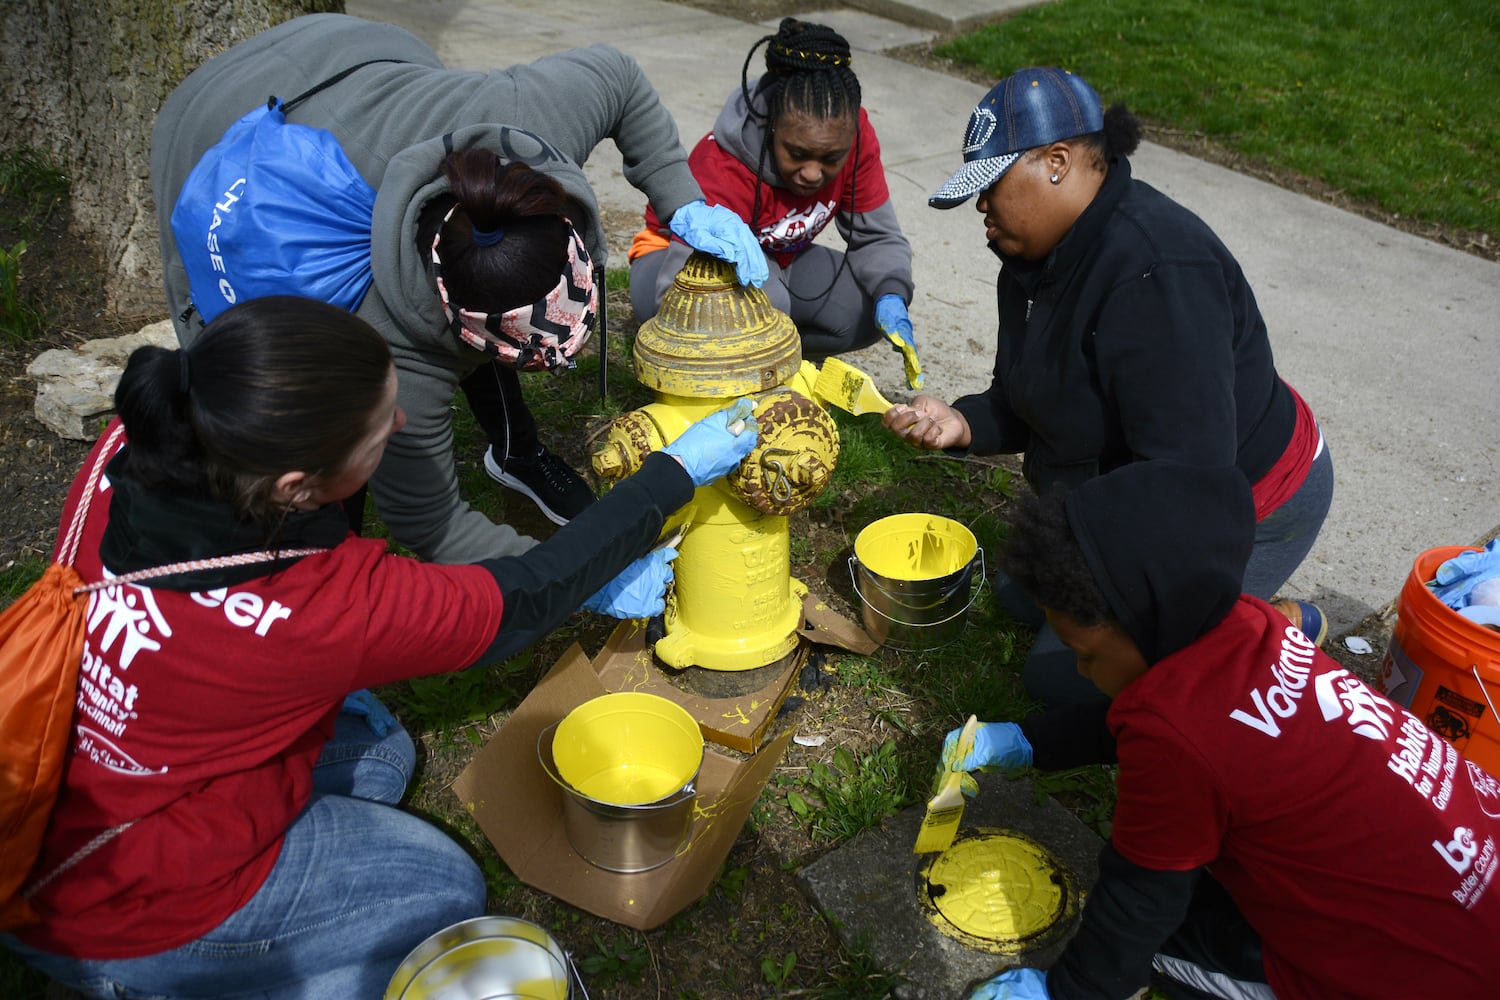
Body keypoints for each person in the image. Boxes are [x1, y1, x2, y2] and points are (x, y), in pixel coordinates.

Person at [0, 296, 757, 999]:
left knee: (380, 752)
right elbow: (527, 595)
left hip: (76, 766)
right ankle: (162, 976)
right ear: (296, 487)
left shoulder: (148, 439)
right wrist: (674, 475)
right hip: (115, 905)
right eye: (379, 428)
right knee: (441, 889)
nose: (397, 427)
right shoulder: (314, 613)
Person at [151, 12, 765, 541]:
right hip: (214, 142)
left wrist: (680, 196)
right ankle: (315, 556)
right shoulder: (368, 338)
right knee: (308, 436)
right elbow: (433, 524)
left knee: (492, 287)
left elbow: (619, 76)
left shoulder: (531, 120)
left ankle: (514, 450)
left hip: (342, 53)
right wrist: (583, 576)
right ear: (450, 324)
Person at [946, 460, 1500, 1000]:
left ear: (1145, 627)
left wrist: (1068, 990)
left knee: (1163, 941)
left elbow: (1141, 896)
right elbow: (1155, 717)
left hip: (1427, 976)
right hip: (1476, 872)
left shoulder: (1175, 742)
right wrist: (1029, 741)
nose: (1081, 671)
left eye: (1084, 654)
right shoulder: (1248, 622)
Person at [884, 66, 1333, 707]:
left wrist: (1098, 569)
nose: (981, 207)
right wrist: (965, 423)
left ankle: (1276, 630)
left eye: (992, 186)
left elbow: (1190, 486)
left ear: (1059, 161)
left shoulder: (1158, 271)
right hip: (1134, 489)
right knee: (1018, 592)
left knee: (1070, 687)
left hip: (1246, 502)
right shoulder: (1032, 256)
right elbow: (1028, 396)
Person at [628, 17, 923, 388]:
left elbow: (877, 237)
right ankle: (752, 373)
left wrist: (892, 291)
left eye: (831, 159)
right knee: (766, 304)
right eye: (798, 153)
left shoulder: (854, 138)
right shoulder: (723, 166)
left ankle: (776, 361)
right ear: (771, 127)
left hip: (780, 256)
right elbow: (679, 288)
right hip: (670, 261)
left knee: (863, 312)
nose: (813, 173)